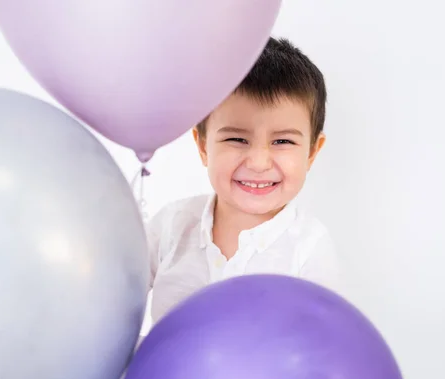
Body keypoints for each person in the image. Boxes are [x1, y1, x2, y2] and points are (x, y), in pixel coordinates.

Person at [145, 36, 342, 327]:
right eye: (237, 139)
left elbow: (325, 346)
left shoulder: (309, 247)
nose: (259, 162)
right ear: (203, 147)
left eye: (283, 141)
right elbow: (110, 301)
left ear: (312, 152)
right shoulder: (171, 227)